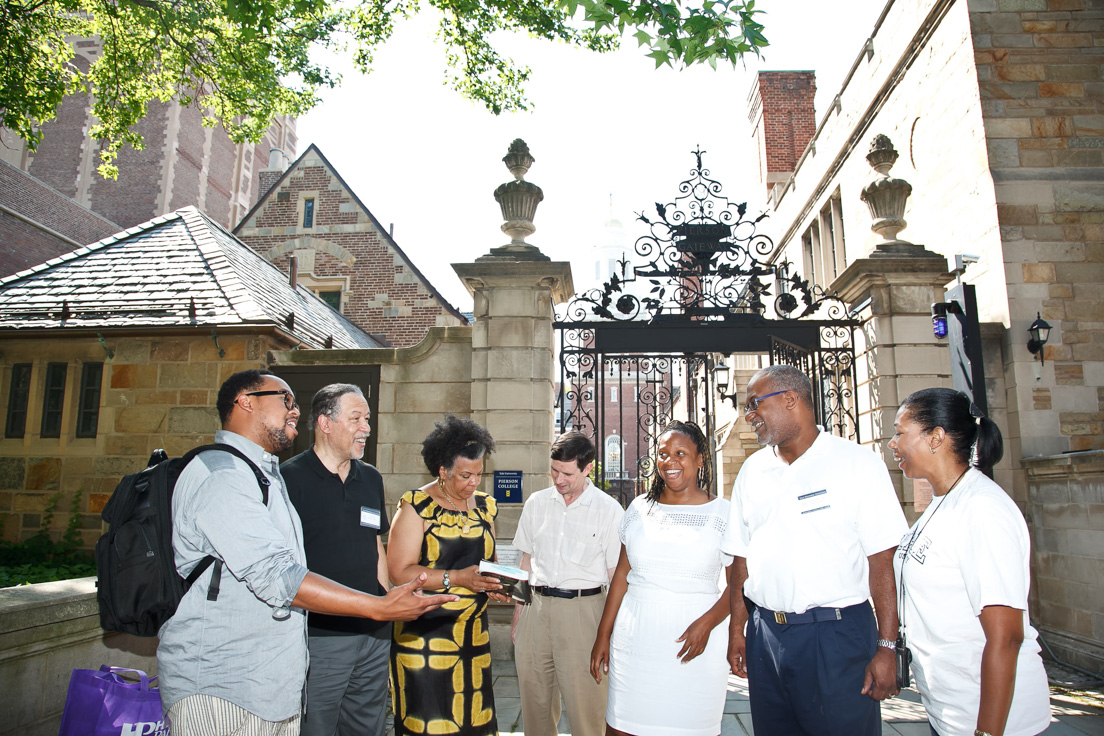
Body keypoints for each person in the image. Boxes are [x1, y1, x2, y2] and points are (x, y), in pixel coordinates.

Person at [158, 369, 455, 736]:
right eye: (285, 399)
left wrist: (381, 603)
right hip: (223, 684)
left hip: (271, 678)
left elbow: (371, 547)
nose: (294, 409)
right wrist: (378, 606)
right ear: (245, 402)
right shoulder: (226, 475)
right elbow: (277, 575)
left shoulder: (264, 476)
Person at [723, 365, 907, 736]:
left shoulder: (857, 464)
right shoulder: (752, 471)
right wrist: (737, 630)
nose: (749, 416)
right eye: (747, 408)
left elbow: (882, 563)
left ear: (791, 399)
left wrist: (888, 646)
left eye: (755, 404)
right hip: (767, 637)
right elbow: (741, 559)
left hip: (836, 637)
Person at [889, 388, 1050, 736]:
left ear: (936, 437)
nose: (892, 443)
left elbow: (1006, 636)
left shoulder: (982, 510)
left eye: (900, 432)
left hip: (993, 721)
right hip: (950, 711)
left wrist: (987, 733)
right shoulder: (944, 501)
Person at [590, 421, 732, 736]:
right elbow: (622, 575)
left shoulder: (723, 513)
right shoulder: (639, 508)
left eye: (680, 453)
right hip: (636, 641)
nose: (669, 461)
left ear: (700, 460)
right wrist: (603, 634)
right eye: (663, 454)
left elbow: (739, 585)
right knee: (622, 727)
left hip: (697, 644)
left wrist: (707, 623)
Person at [387, 415, 511, 736]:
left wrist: (498, 584)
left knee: (472, 722)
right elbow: (400, 572)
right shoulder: (416, 506)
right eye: (465, 475)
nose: (473, 483)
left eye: (479, 475)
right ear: (443, 471)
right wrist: (457, 578)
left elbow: (488, 562)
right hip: (424, 638)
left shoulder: (485, 507)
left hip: (472, 638)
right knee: (429, 724)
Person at [282, 383, 390, 736]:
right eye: (356, 418)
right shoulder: (288, 480)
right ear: (325, 424)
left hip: (373, 634)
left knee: (367, 726)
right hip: (321, 637)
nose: (366, 428)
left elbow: (376, 546)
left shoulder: (371, 478)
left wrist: (386, 606)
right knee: (317, 727)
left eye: (368, 419)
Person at [513, 431, 624, 736]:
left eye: (567, 473)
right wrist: (518, 621)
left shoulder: (609, 511)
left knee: (587, 711)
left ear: (588, 468)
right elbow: (525, 563)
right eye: (554, 470)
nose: (558, 479)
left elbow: (618, 577)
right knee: (535, 709)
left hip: (584, 614)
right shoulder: (536, 504)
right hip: (535, 612)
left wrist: (610, 632)